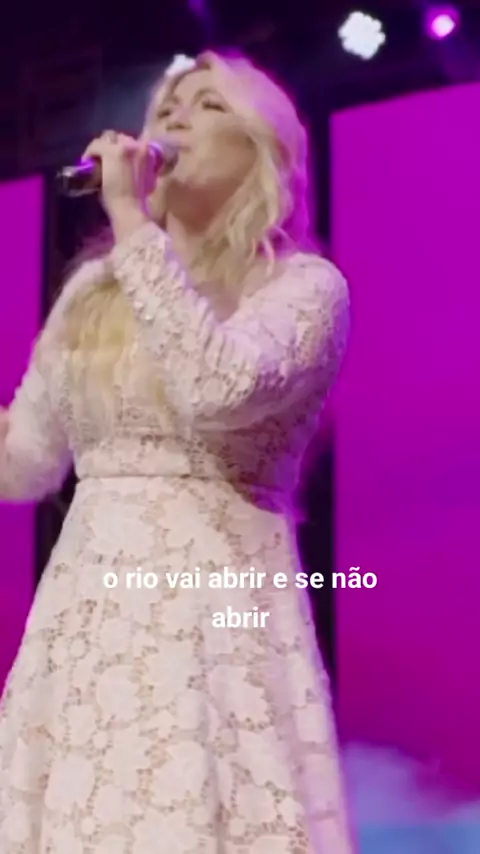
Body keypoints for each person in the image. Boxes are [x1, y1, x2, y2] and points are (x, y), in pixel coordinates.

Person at [0, 50, 354, 853]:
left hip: (214, 620)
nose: (173, 120)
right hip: (88, 621)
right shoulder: (95, 294)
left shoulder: (304, 288)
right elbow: (24, 461)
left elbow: (218, 388)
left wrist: (132, 227)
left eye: (207, 106)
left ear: (265, 150)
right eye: (165, 108)